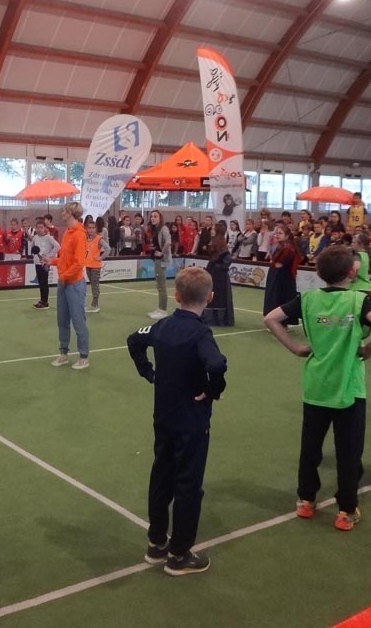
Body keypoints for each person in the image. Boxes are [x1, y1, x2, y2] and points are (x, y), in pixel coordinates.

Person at [264, 246, 371, 531]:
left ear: (319, 273)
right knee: (348, 451)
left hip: (316, 385)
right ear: (352, 271)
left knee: (310, 448)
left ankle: (306, 500)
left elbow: (270, 318)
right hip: (349, 388)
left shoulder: (308, 299)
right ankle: (346, 510)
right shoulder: (358, 301)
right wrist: (370, 349)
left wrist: (295, 348)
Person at [126, 266, 227, 574]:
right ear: (210, 297)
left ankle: (157, 542)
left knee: (161, 476)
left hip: (164, 417)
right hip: (192, 422)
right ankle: (180, 553)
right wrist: (212, 391)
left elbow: (134, 340)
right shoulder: (200, 333)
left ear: (177, 295)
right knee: (188, 485)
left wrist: (148, 373)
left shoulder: (162, 327)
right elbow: (216, 364)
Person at [50, 201, 89, 370]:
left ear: (71, 214)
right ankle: (64, 353)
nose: (62, 213)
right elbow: (65, 259)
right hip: (64, 282)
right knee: (62, 320)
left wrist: (63, 277)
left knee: (78, 321)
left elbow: (78, 263)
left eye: (64, 211)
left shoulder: (79, 235)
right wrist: (51, 261)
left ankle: (84, 356)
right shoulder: (67, 232)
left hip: (74, 284)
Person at [263, 226, 300, 324]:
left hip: (283, 279)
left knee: (281, 300)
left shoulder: (288, 249)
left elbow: (279, 264)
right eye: (277, 233)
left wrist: (274, 264)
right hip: (277, 277)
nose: (277, 235)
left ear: (287, 236)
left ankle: (281, 322)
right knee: (275, 299)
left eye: (280, 233)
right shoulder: (280, 246)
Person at [148, 210, 172, 321]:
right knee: (159, 285)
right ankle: (160, 308)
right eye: (151, 216)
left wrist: (162, 252)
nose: (153, 218)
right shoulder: (155, 229)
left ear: (160, 218)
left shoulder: (164, 228)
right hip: (156, 259)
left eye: (155, 216)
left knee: (162, 285)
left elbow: (168, 242)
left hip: (161, 260)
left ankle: (163, 310)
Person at [30, 220, 60, 309]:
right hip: (37, 262)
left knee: (44, 282)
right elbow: (33, 247)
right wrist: (34, 255)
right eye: (38, 227)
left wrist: (49, 256)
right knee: (40, 282)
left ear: (45, 228)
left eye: (41, 227)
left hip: (45, 263)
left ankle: (45, 302)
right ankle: (42, 300)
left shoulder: (48, 238)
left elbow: (58, 246)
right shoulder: (35, 238)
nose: (39, 229)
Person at [206, 233, 234, 326]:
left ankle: (220, 319)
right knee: (212, 298)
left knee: (220, 299)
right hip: (213, 278)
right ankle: (211, 318)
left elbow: (225, 265)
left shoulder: (225, 254)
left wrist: (215, 267)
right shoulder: (214, 255)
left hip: (221, 280)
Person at [83, 218, 109, 313]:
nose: (91, 230)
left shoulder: (99, 239)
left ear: (96, 229)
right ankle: (94, 303)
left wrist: (101, 257)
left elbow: (108, 248)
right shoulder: (86, 239)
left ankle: (95, 305)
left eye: (93, 228)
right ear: (86, 229)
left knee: (95, 285)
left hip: (95, 266)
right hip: (88, 265)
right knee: (92, 284)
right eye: (89, 228)